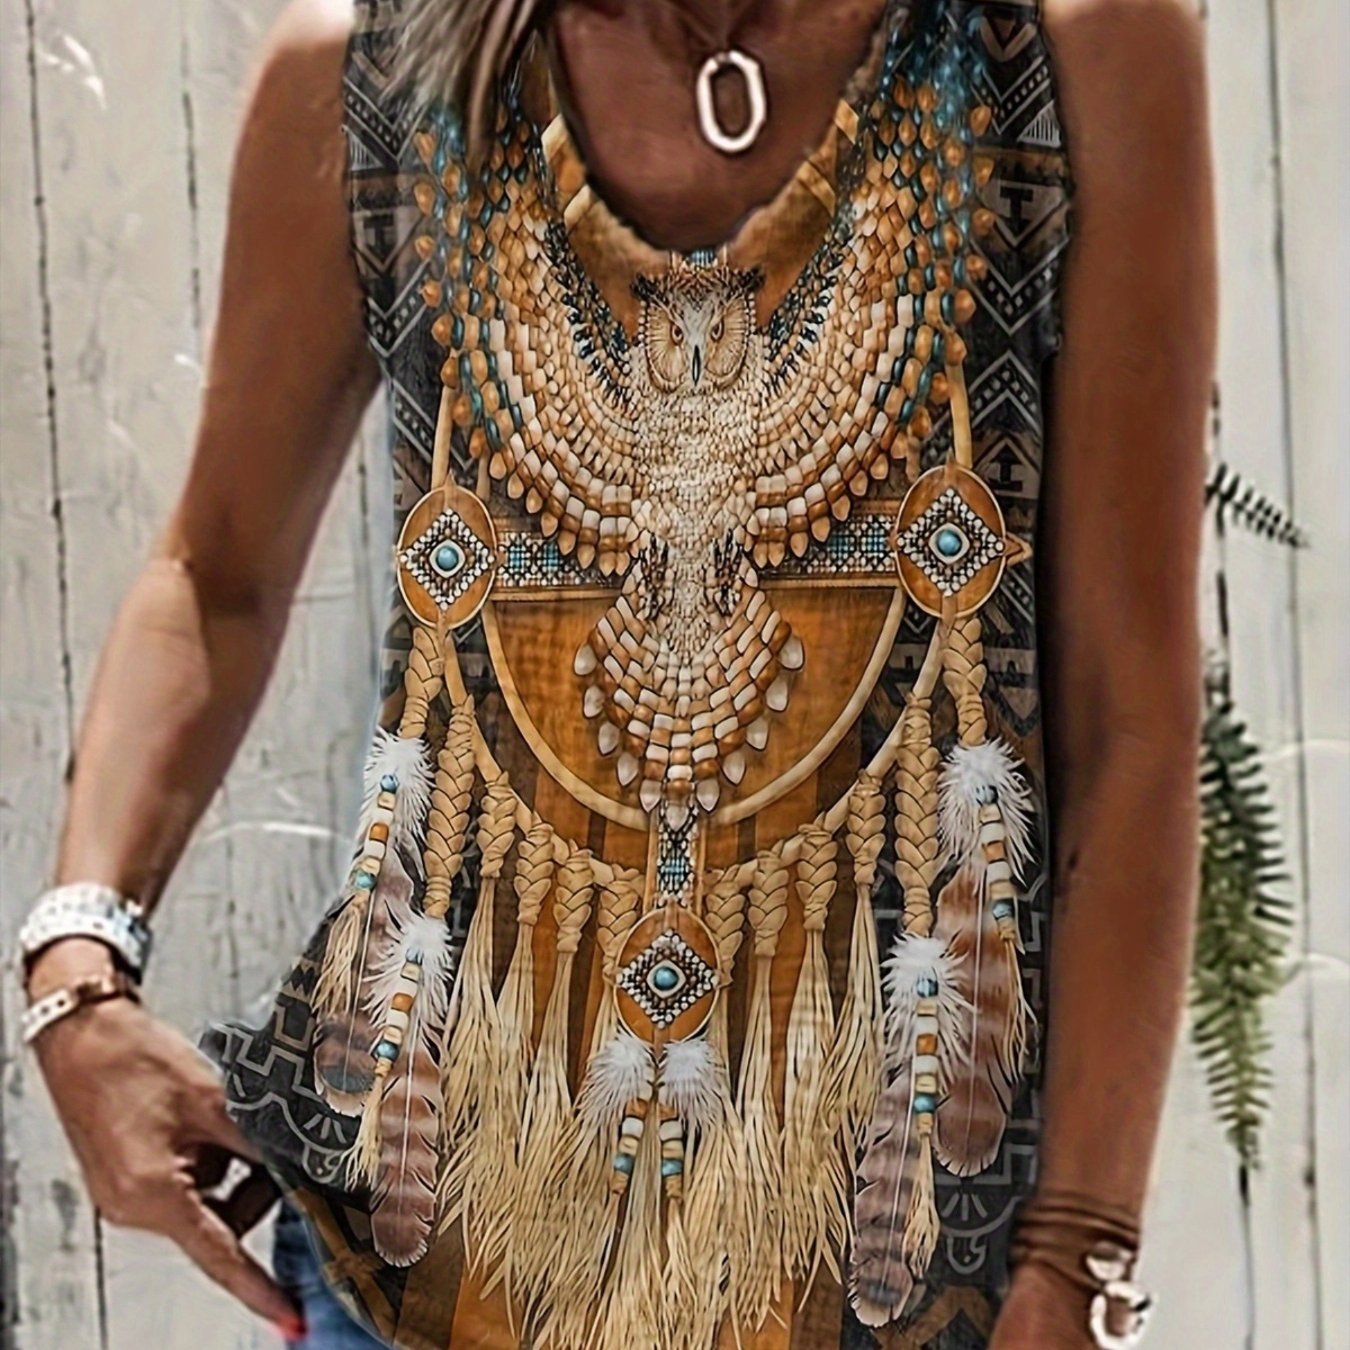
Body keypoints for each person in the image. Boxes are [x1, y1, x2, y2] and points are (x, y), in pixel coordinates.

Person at [19, 0, 1214, 1345]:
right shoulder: (370, 71)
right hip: (420, 1264)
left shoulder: (1058, 46)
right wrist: (77, 974)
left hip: (896, 1276)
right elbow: (216, 576)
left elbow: (1130, 715)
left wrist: (1077, 1253)